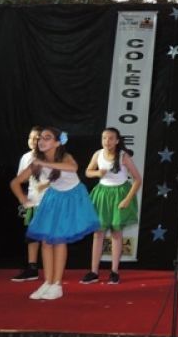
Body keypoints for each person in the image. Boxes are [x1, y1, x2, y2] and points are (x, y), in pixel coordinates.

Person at [10, 126, 100, 300]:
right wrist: (23, 199)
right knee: (45, 241)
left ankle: (57, 285)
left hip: (72, 197)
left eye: (47, 137)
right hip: (53, 197)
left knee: (59, 240)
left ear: (57, 143)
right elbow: (15, 182)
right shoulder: (36, 162)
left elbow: (72, 167)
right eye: (40, 138)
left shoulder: (64, 157)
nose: (41, 141)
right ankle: (48, 282)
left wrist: (44, 163)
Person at [81, 127, 142, 285]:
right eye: (104, 138)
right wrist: (97, 173)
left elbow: (137, 179)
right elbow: (88, 171)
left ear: (117, 141)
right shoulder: (98, 154)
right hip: (102, 194)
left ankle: (114, 272)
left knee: (116, 233)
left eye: (110, 138)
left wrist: (127, 199)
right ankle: (94, 271)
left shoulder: (123, 156)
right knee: (98, 234)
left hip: (119, 195)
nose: (107, 141)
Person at [11, 126, 47, 282]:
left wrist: (45, 184)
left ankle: (50, 270)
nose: (33, 141)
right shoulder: (26, 157)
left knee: (47, 238)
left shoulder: (50, 155)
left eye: (37, 138)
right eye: (31, 138)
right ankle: (32, 267)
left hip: (49, 201)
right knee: (32, 235)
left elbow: (59, 178)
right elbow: (21, 178)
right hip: (33, 200)